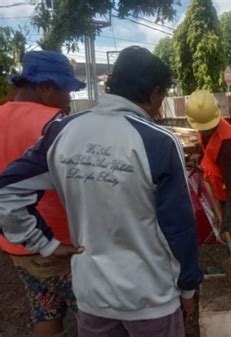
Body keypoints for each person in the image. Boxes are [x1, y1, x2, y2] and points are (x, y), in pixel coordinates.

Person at [0, 46, 203, 337]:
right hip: (150, 299)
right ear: (155, 91)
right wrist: (188, 288)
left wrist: (45, 244)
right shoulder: (158, 142)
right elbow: (179, 228)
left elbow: (6, 192)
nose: (160, 107)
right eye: (162, 97)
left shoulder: (62, 132)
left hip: (92, 298)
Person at [0, 50, 84, 337]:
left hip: (16, 243)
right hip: (61, 244)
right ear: (46, 86)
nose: (69, 99)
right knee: (93, 314)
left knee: (45, 309)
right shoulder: (54, 124)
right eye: (66, 90)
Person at [185, 90, 231, 252]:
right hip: (222, 184)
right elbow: (209, 149)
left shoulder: (227, 145)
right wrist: (200, 155)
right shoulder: (205, 123)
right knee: (228, 224)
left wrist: (226, 223)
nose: (205, 130)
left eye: (207, 128)